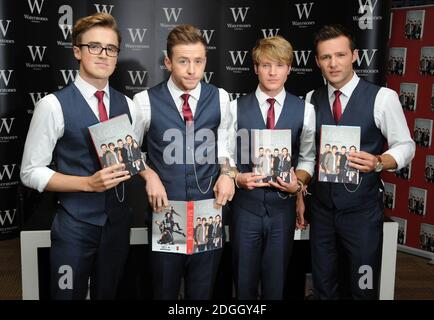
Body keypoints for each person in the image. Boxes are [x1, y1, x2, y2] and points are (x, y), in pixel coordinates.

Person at [20, 13, 136, 299]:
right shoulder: (52, 106)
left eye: (111, 48)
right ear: (77, 51)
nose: (103, 55)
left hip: (117, 226)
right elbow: (30, 171)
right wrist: (87, 184)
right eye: (94, 46)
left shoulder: (131, 105)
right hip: (75, 225)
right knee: (66, 295)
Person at [306, 24, 415, 299]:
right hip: (322, 211)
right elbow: (308, 154)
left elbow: (406, 145)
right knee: (324, 284)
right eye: (326, 57)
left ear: (354, 55)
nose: (334, 63)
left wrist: (379, 161)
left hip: (362, 212)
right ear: (318, 61)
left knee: (363, 287)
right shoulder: (311, 99)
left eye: (340, 55)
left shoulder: (382, 98)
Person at [133, 24, 235, 300]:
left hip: (209, 211)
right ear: (168, 62)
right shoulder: (144, 101)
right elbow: (129, 150)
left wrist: (228, 173)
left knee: (202, 292)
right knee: (164, 289)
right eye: (183, 61)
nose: (192, 69)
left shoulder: (222, 98)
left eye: (198, 61)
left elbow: (225, 146)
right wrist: (149, 175)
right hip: (166, 213)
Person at [228, 35, 316, 299]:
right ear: (256, 68)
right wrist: (236, 177)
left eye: (279, 65)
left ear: (289, 68)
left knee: (276, 284)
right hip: (246, 207)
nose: (272, 72)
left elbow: (308, 158)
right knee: (243, 283)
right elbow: (225, 157)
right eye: (266, 65)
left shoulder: (305, 110)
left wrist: (298, 184)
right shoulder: (235, 108)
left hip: (282, 209)